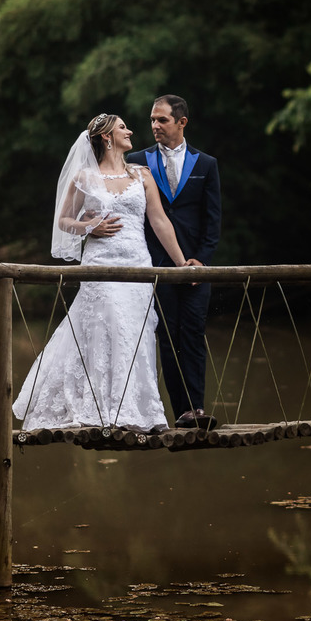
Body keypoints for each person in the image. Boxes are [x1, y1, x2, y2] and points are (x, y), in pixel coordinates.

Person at [12, 113, 192, 432]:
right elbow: (65, 220)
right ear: (107, 137)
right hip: (100, 265)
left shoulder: (142, 175)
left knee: (136, 334)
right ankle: (100, 409)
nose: (130, 131)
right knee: (109, 326)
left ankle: (139, 412)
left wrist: (182, 264)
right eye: (123, 127)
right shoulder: (85, 177)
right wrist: (89, 226)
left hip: (138, 265)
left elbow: (159, 221)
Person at [127, 94, 221, 430]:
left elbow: (212, 222)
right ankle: (180, 411)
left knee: (193, 333)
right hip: (155, 266)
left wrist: (201, 261)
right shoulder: (136, 161)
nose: (154, 126)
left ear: (181, 122)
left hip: (196, 266)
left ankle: (196, 408)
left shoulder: (206, 164)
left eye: (162, 120)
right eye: (152, 119)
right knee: (167, 337)